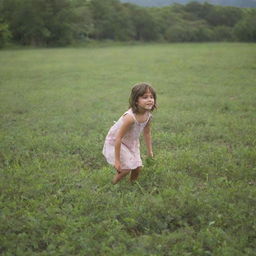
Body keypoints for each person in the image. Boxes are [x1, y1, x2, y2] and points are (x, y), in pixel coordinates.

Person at [102, 82, 157, 184]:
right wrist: (117, 161)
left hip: (131, 142)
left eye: (151, 97)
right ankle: (112, 185)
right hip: (117, 142)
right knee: (126, 169)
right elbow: (118, 138)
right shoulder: (129, 118)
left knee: (137, 168)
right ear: (136, 101)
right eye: (145, 97)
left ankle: (132, 186)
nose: (150, 99)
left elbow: (147, 133)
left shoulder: (148, 116)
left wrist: (150, 152)